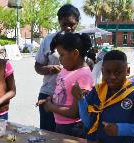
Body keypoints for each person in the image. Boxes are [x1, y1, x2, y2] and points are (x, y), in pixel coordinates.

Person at [73, 50, 134, 143]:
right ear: (102, 71)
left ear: (127, 71)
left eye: (118, 72)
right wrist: (81, 100)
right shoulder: (96, 91)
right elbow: (88, 122)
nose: (112, 77)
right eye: (107, 72)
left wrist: (120, 129)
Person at [35, 4, 80, 132]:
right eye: (64, 24)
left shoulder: (81, 41)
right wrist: (49, 68)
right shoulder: (49, 40)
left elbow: (87, 68)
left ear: (77, 23)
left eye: (71, 24)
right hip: (49, 94)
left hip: (72, 99)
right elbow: (37, 66)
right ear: (59, 21)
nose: (68, 28)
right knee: (48, 135)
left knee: (69, 137)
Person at [38, 32, 94, 137]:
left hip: (74, 128)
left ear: (75, 53)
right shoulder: (66, 69)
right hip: (60, 125)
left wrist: (51, 107)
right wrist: (49, 99)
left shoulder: (84, 75)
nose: (60, 59)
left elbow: (75, 113)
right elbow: (62, 92)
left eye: (62, 55)